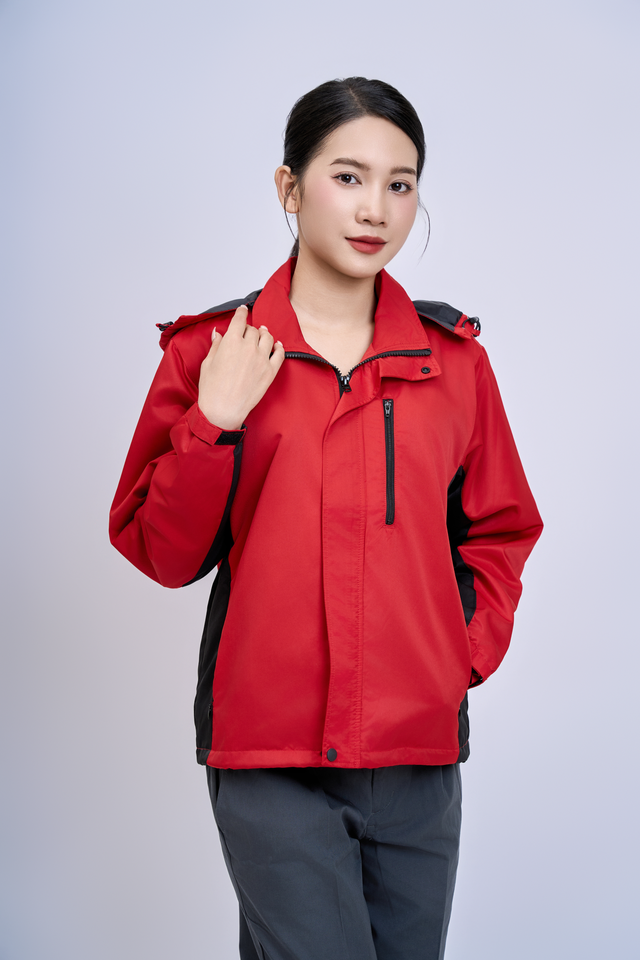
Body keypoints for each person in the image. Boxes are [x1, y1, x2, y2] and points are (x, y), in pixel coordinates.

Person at [109, 77, 543, 960]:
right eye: (348, 176)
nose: (376, 207)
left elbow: (501, 529)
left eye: (400, 183)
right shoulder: (211, 352)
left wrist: (456, 657)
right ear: (289, 187)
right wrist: (215, 420)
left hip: (418, 755)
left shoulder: (455, 364)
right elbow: (160, 549)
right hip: (270, 756)